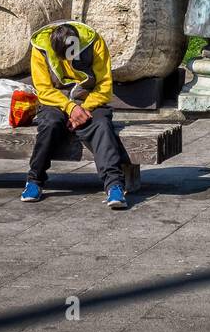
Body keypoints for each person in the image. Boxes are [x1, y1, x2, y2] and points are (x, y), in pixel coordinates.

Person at [23, 20, 131, 209]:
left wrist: (84, 108)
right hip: (56, 101)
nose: (69, 62)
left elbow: (105, 87)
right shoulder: (40, 47)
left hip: (89, 100)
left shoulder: (94, 42)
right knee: (49, 124)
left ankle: (115, 185)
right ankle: (34, 181)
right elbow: (43, 89)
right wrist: (70, 108)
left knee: (102, 126)